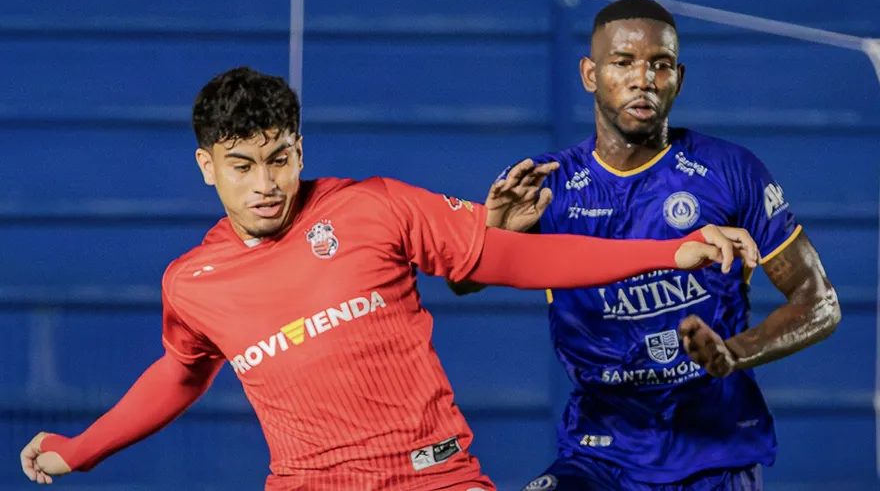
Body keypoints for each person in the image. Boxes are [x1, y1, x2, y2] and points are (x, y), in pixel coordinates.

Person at [19, 66, 757, 491]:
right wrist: (82, 446)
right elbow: (182, 371)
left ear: (299, 146)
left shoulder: (372, 206)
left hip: (437, 477)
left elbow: (518, 258)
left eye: (279, 156)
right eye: (242, 166)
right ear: (207, 167)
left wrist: (670, 250)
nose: (266, 182)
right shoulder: (192, 281)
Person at [447, 0, 841, 490]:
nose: (643, 79)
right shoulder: (546, 183)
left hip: (712, 457)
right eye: (623, 63)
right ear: (590, 75)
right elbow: (462, 284)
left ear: (678, 77)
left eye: (659, 65)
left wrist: (734, 354)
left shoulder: (729, 170)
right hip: (599, 454)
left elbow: (819, 302)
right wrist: (493, 237)